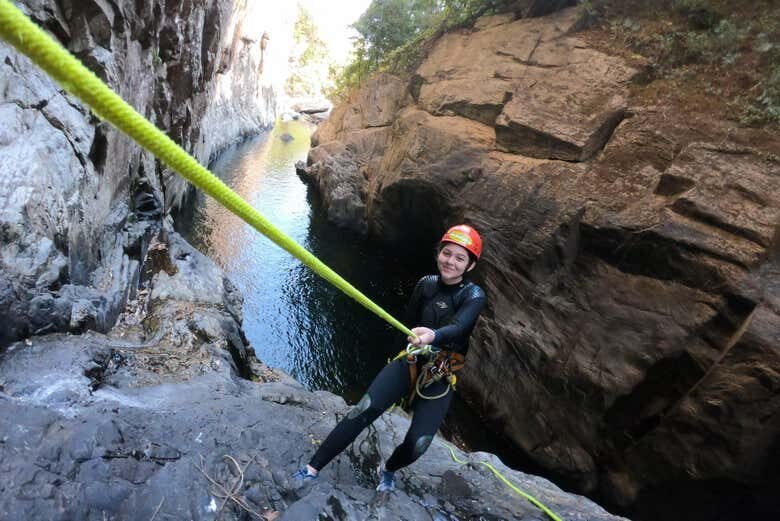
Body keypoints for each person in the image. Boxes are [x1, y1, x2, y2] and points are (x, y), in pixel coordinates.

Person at [293, 224, 486, 492]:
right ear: (439, 252)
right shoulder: (426, 285)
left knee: (419, 443)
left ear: (470, 265)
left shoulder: (473, 295)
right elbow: (405, 324)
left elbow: (459, 326)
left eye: (460, 257)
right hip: (410, 360)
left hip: (440, 372)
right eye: (447, 253)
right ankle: (311, 468)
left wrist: (432, 335)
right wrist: (393, 358)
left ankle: (389, 469)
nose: (450, 261)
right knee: (363, 410)